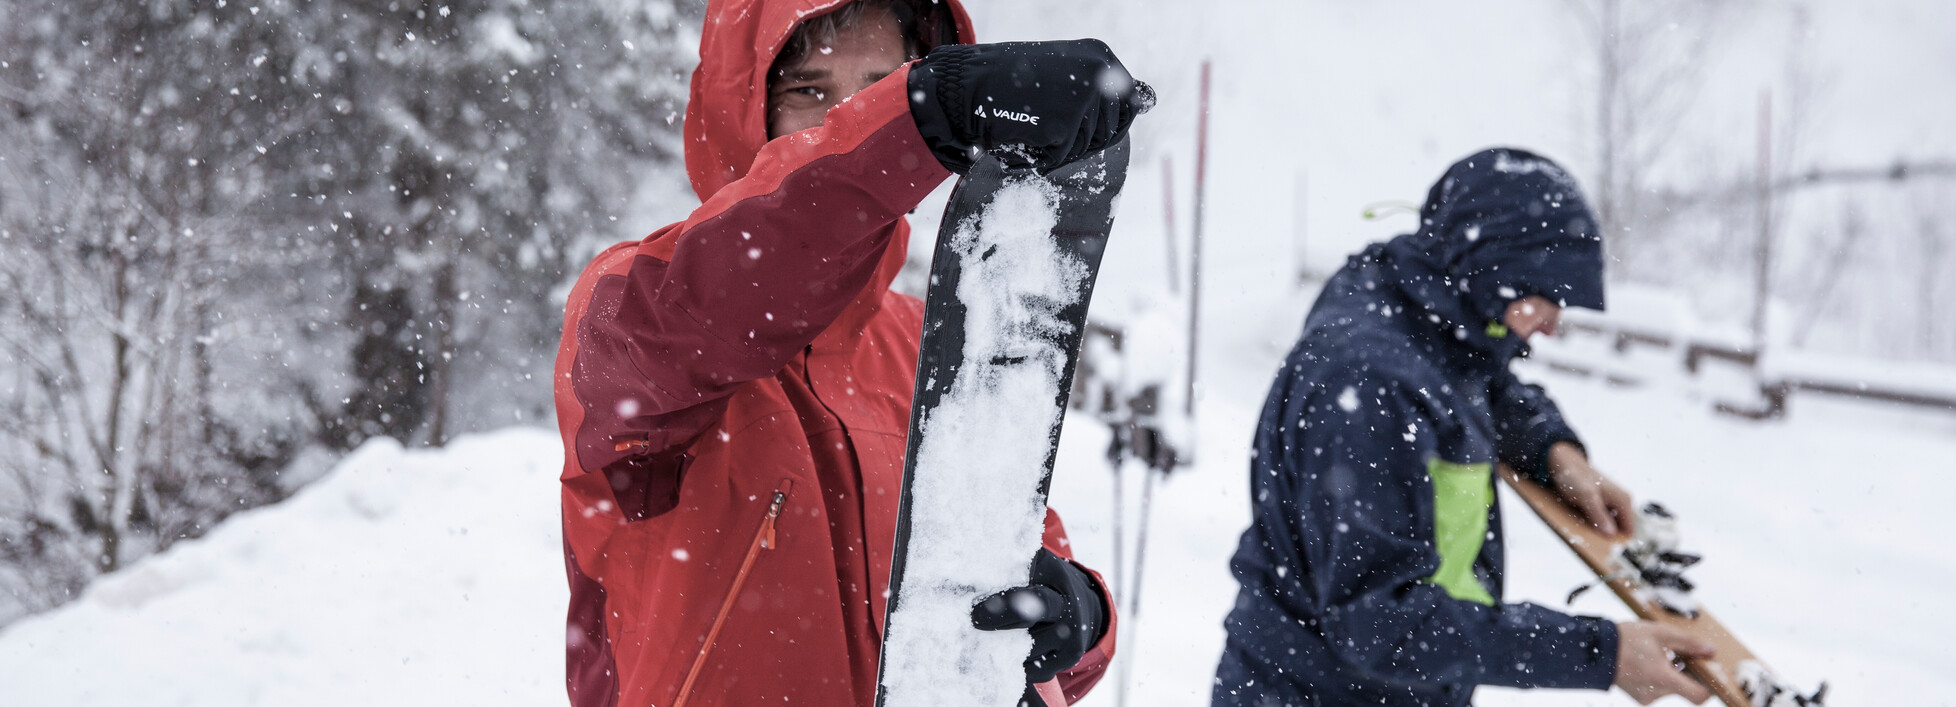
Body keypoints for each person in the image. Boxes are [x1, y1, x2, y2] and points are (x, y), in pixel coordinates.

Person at [552, 1, 1148, 706]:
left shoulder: (932, 341)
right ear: (742, 110)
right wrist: (923, 113)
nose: (855, 114)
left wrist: (1079, 612)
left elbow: (1035, 578)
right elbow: (728, 288)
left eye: (882, 84)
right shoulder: (638, 310)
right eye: (810, 91)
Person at [1211, 148, 1717, 707]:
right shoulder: (1370, 383)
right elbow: (1382, 624)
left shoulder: (1415, 303)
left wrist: (1556, 453)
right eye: (1543, 296)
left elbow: (1483, 381)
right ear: (1491, 266)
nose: (1552, 324)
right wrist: (1603, 654)